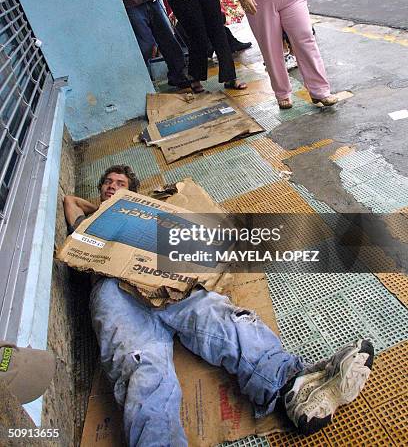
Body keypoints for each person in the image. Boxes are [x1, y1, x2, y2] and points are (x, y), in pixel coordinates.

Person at [64, 165, 374, 446]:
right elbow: (70, 201)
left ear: (133, 191)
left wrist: (127, 202)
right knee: (140, 368)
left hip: (162, 282)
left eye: (120, 183)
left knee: (219, 318)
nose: (112, 186)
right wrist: (108, 208)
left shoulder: (149, 213)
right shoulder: (88, 221)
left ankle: (292, 387)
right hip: (114, 292)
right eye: (107, 182)